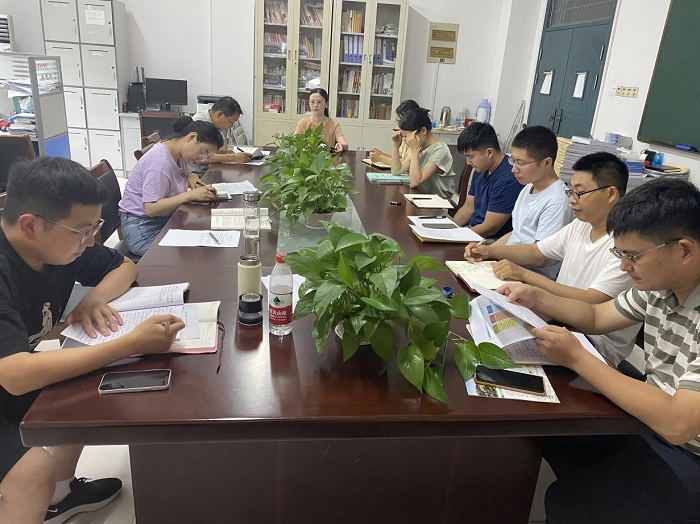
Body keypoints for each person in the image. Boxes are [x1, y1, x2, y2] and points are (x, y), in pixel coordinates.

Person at [499, 177, 700, 523]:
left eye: (633, 256)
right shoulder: (660, 285)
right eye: (620, 254)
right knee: (550, 438)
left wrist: (577, 357)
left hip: (688, 450)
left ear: (684, 250)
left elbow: (678, 424)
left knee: (568, 504)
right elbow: (597, 315)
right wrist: (538, 297)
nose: (624, 266)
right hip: (653, 423)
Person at [0, 157, 184, 524]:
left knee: (85, 394)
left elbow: (125, 266)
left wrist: (93, 299)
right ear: (30, 225)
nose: (89, 242)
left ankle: (61, 495)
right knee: (32, 473)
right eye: (82, 232)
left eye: (94, 229)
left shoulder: (56, 247)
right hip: (8, 374)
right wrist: (129, 344)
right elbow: (14, 374)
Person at [466, 152, 639, 365]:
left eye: (580, 193)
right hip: (558, 320)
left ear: (611, 193)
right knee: (483, 327)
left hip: (595, 343)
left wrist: (526, 276)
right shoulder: (581, 225)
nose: (572, 200)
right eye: (570, 191)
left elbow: (591, 300)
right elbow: (536, 251)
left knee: (497, 358)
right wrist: (489, 251)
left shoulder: (627, 246)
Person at [466, 125, 573, 279]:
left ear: (546, 163)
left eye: (520, 163)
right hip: (507, 267)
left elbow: (540, 258)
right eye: (513, 160)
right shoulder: (528, 187)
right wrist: (484, 252)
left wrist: (491, 252)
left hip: (529, 279)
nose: (513, 169)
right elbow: (517, 233)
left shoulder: (557, 202)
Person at [118, 116, 223, 257]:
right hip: (143, 229)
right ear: (191, 137)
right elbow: (151, 208)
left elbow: (182, 174)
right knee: (195, 251)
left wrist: (191, 175)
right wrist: (189, 195)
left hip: (162, 219)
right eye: (203, 152)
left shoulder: (178, 153)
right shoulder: (159, 162)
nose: (201, 158)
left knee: (204, 236)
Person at [452, 122, 522, 238]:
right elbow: (468, 208)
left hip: (492, 240)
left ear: (489, 152)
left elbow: (490, 228)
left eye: (471, 156)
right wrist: (450, 230)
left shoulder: (508, 179)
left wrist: (455, 236)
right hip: (473, 231)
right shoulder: (482, 168)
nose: (468, 162)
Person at [390, 107, 456, 201]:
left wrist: (414, 151)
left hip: (438, 202)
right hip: (419, 198)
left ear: (423, 131)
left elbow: (415, 182)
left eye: (408, 136)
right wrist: (396, 145)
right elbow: (396, 171)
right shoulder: (419, 145)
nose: (407, 141)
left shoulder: (440, 150)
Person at [191, 96, 252, 164]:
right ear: (219, 114)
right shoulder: (199, 123)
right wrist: (233, 158)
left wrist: (221, 153)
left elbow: (218, 149)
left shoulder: (217, 125)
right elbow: (199, 157)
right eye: (231, 122)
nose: (231, 126)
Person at [294, 88, 348, 152]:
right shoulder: (302, 123)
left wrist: (341, 145)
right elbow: (294, 142)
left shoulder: (334, 124)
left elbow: (345, 144)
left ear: (326, 104)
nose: (315, 105)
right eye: (312, 102)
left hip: (327, 157)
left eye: (319, 102)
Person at [367, 99, 420, 164]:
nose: (397, 126)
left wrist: (381, 158)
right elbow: (400, 157)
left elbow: (404, 164)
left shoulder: (415, 139)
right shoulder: (405, 137)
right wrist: (382, 154)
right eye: (397, 122)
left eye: (399, 122)